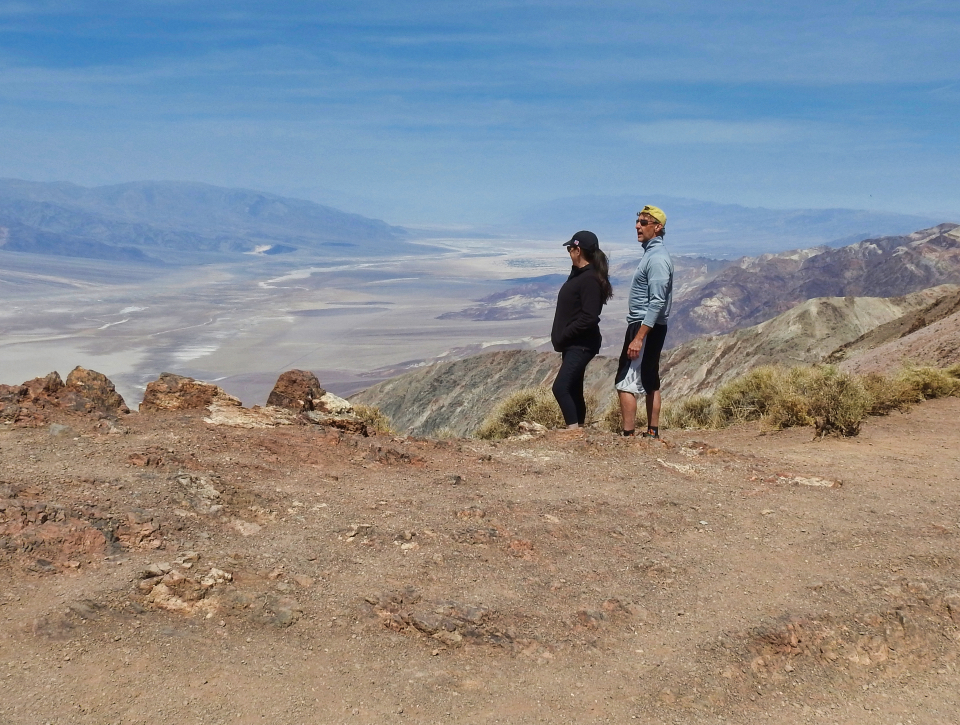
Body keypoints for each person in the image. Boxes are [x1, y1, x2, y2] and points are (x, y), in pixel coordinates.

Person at [615, 205, 673, 438]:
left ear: (657, 227)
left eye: (644, 222)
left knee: (624, 379)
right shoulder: (652, 254)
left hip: (644, 325)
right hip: (649, 326)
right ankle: (652, 432)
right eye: (637, 221)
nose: (638, 226)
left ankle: (628, 435)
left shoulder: (657, 259)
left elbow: (657, 302)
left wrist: (639, 337)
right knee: (650, 377)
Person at [550, 230, 613, 428]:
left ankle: (573, 432)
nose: (568, 252)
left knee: (560, 388)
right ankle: (579, 429)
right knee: (574, 389)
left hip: (581, 344)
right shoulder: (580, 275)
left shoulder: (589, 279)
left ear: (578, 250)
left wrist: (565, 333)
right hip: (573, 344)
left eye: (570, 248)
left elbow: (590, 316)